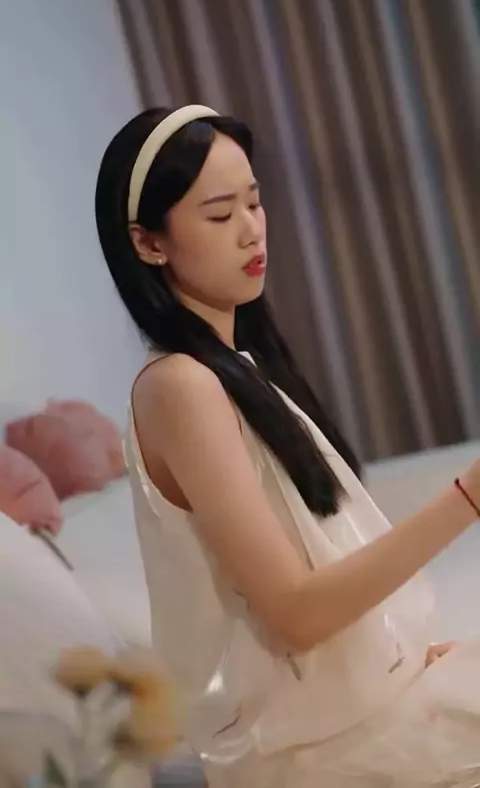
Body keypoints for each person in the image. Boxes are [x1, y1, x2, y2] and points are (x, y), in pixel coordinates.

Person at [95, 104, 480, 787]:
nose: (251, 229)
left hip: (354, 720)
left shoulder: (237, 369)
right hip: (310, 758)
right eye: (220, 214)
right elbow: (296, 616)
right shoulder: (179, 387)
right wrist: (467, 498)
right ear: (149, 243)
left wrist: (407, 658)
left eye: (254, 202)